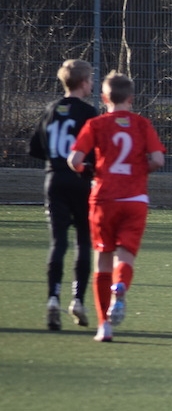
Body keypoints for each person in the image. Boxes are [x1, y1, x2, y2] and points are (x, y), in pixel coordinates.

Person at [67, 72, 165, 342]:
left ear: (104, 98)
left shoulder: (96, 124)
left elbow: (74, 160)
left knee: (103, 258)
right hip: (134, 199)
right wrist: (140, 171)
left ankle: (104, 326)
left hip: (104, 198)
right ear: (131, 98)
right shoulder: (142, 124)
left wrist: (88, 171)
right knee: (125, 256)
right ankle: (120, 286)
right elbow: (158, 159)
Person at [29, 59, 98, 330]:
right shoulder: (88, 113)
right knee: (83, 242)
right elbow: (95, 151)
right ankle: (78, 300)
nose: (92, 84)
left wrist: (55, 160)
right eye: (90, 80)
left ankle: (53, 299)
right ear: (83, 82)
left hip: (54, 179)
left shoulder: (50, 109)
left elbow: (35, 149)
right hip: (81, 180)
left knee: (58, 243)